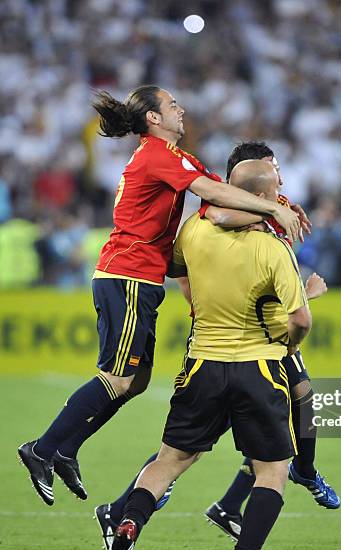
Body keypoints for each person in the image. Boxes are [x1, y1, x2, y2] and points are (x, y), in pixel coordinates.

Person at [17, 86, 303, 506]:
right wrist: (275, 209)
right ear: (153, 118)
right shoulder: (158, 156)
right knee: (118, 377)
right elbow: (214, 197)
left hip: (139, 278)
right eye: (172, 105)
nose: (181, 109)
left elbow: (219, 202)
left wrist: (279, 202)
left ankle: (65, 448)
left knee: (136, 381)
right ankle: (42, 449)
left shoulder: (171, 158)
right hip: (128, 274)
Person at [94, 142, 339, 550]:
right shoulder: (224, 212)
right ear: (243, 181)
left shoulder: (269, 207)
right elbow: (218, 230)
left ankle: (205, 504)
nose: (280, 177)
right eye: (273, 171)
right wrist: (301, 296)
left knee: (291, 402)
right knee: (266, 433)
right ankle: (291, 481)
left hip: (239, 341)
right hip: (251, 341)